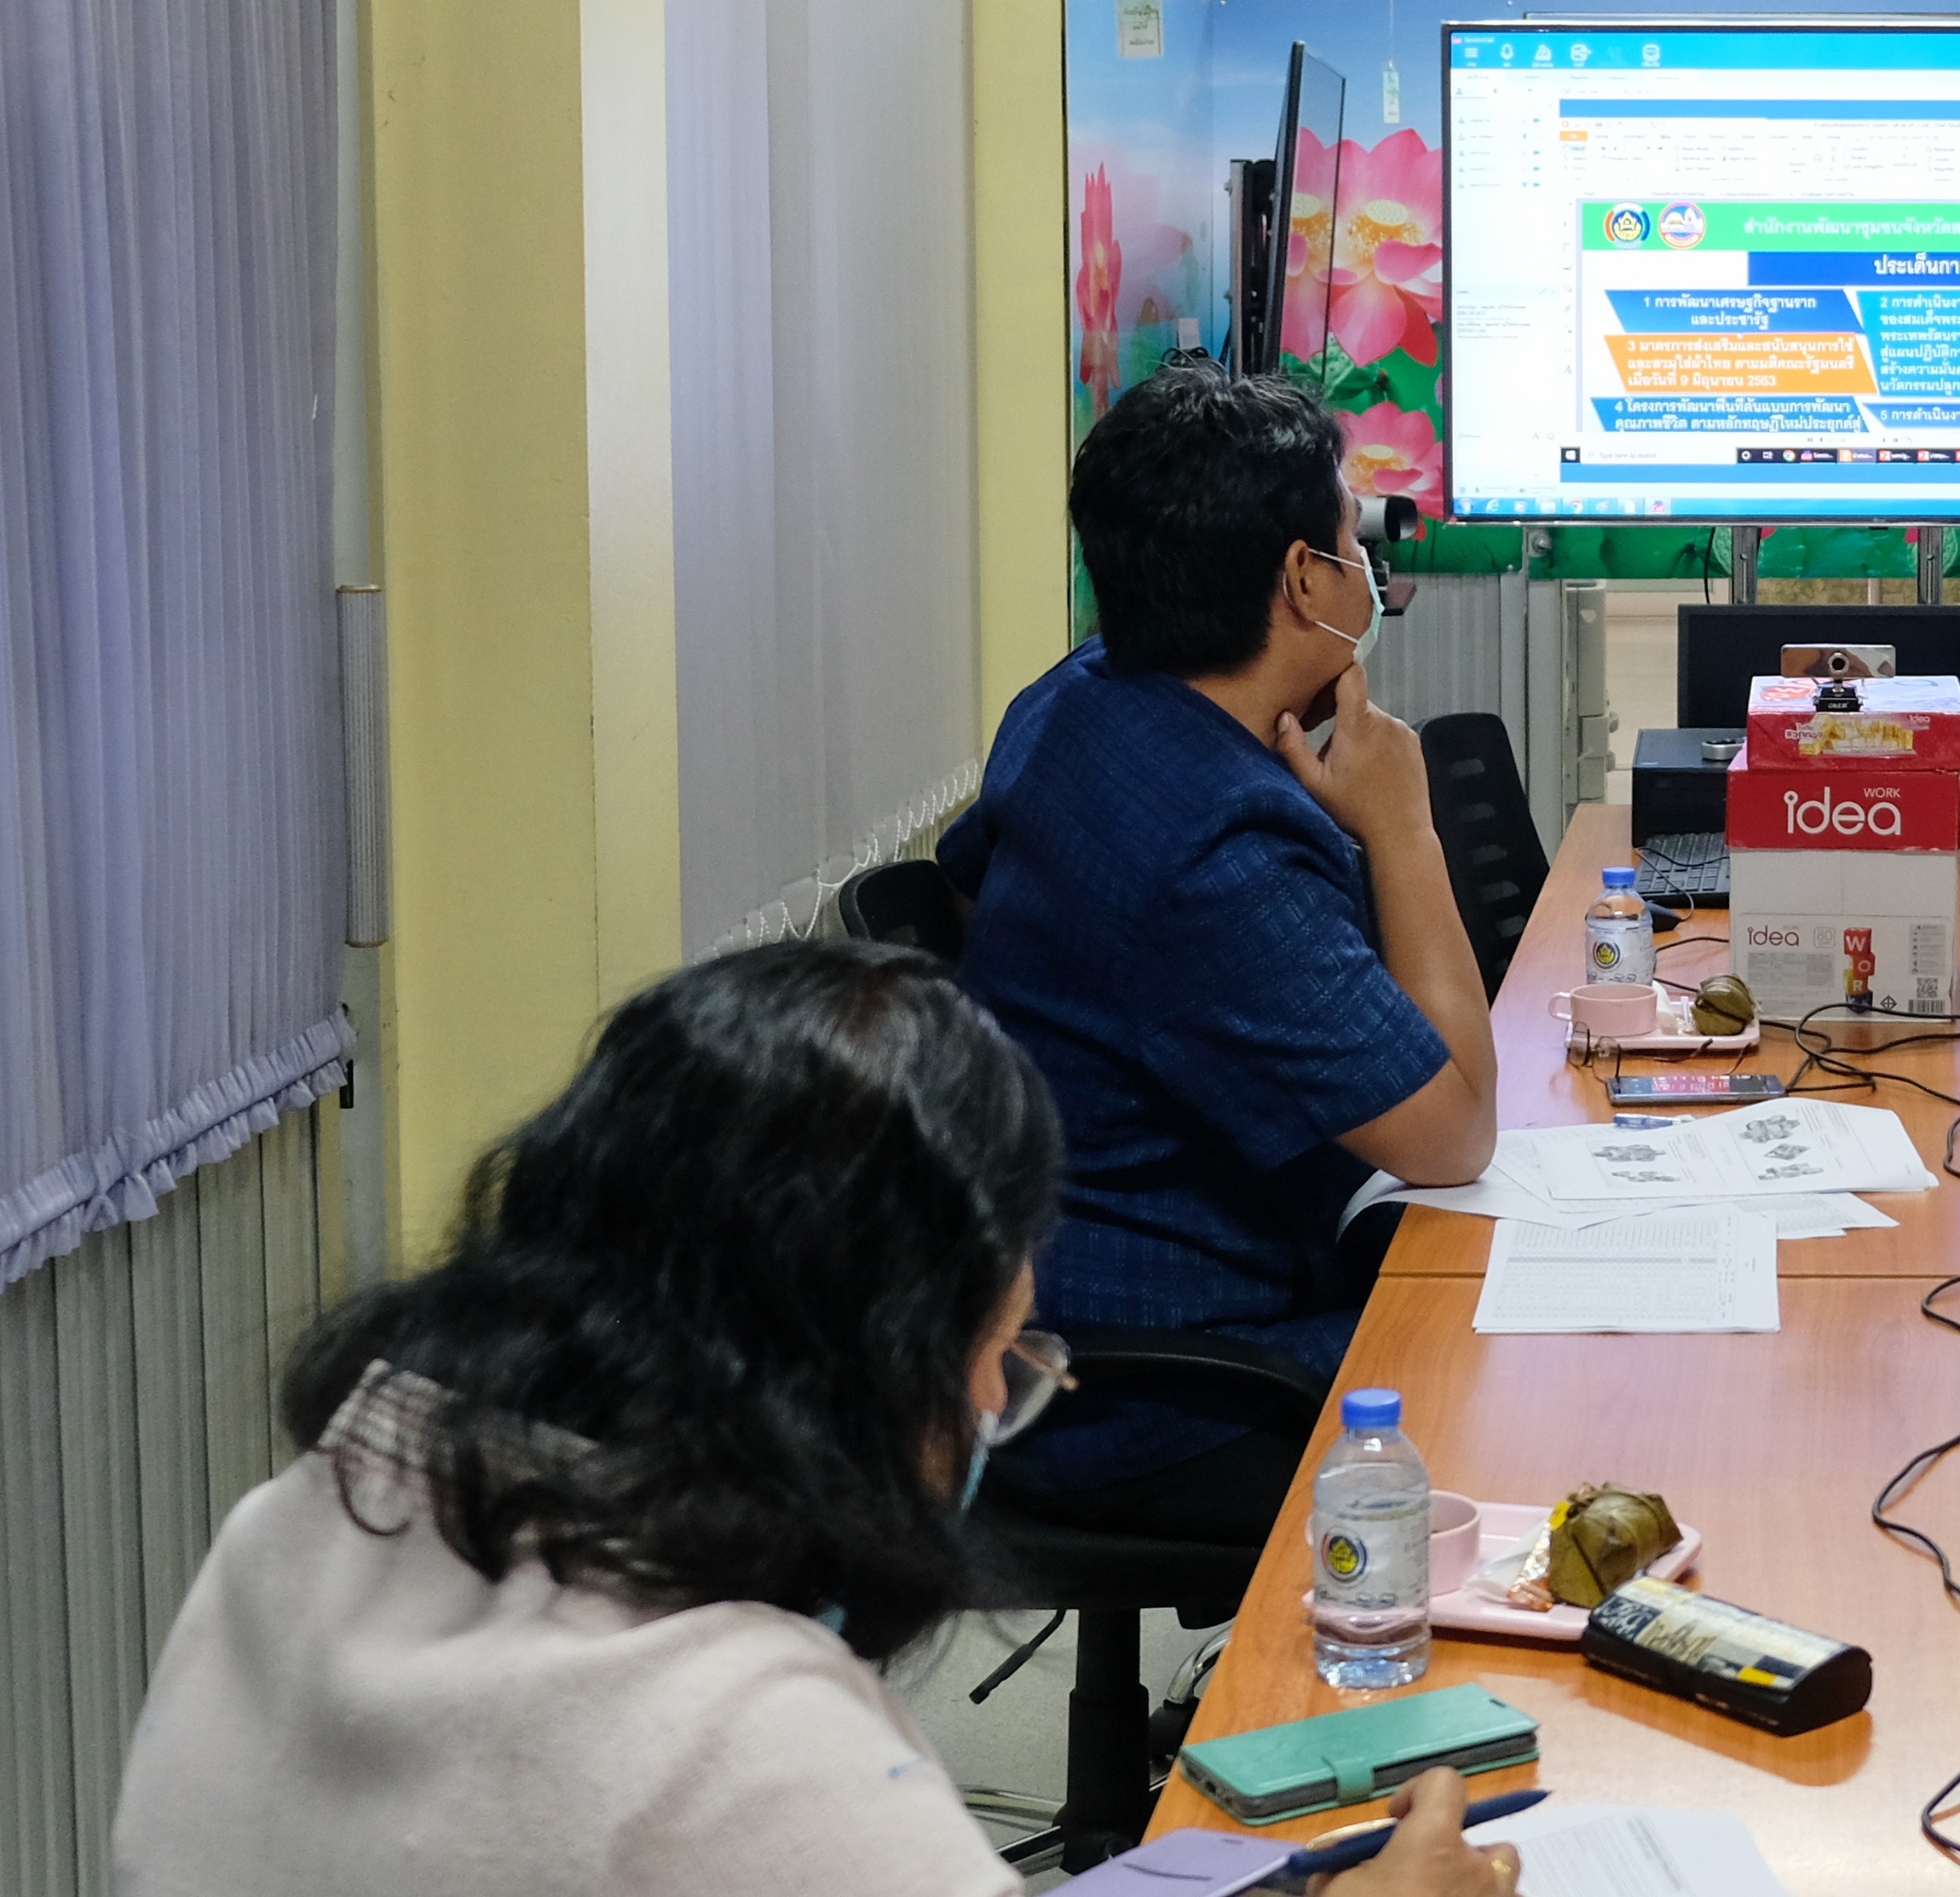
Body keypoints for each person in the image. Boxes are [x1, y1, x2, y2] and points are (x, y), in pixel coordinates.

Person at [112, 940, 1518, 1897]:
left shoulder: (316, 1515)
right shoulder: (746, 1743)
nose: (995, 1406)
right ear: (865, 1364)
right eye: (1000, 1357)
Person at [939, 361, 1497, 1536]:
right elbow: (1452, 1133)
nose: (1364, 566)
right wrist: (1401, 824)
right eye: (1350, 538)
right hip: (1159, 1375)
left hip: (1039, 1286)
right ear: (1303, 577)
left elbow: (965, 863)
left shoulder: (1080, 694)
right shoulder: (1215, 848)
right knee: (1513, 1375)